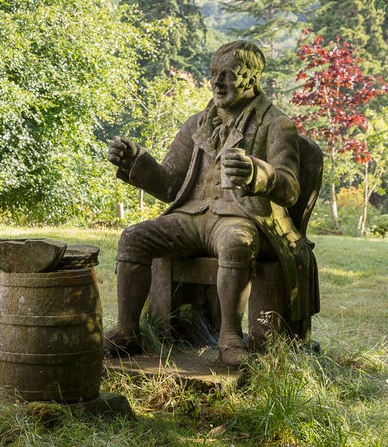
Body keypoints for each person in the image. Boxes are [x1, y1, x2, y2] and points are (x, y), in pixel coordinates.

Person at [105, 40, 306, 367]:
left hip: (240, 218)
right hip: (191, 218)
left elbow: (291, 188)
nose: (217, 82)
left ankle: (229, 337)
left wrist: (258, 173)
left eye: (228, 74)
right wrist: (136, 161)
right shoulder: (197, 123)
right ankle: (128, 331)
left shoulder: (276, 124)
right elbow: (170, 183)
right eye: (214, 73)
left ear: (252, 78)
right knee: (133, 237)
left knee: (236, 243)